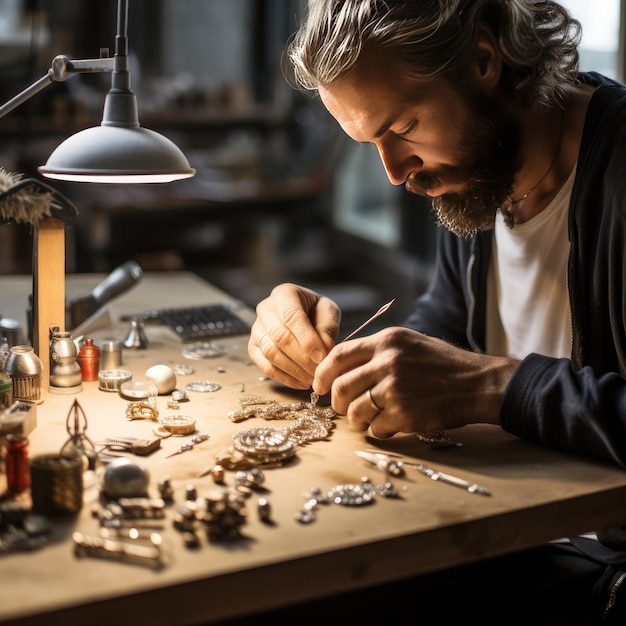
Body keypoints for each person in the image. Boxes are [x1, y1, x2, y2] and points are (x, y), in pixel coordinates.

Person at [241, 1, 626, 624]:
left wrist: (497, 385)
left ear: (482, 60)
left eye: (404, 126)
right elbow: (447, 324)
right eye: (371, 143)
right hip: (495, 532)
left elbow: (481, 375)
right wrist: (363, 357)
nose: (393, 172)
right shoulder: (480, 170)